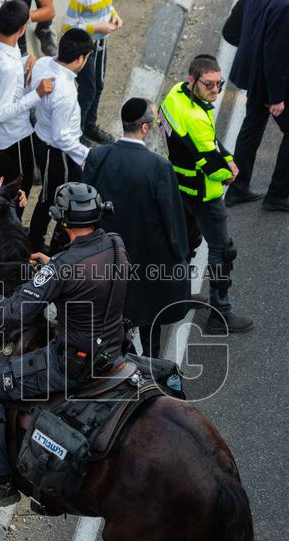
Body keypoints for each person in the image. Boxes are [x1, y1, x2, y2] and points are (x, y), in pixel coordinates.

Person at [0, 182, 128, 517]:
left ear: (63, 222)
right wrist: (54, 271)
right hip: (114, 352)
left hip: (70, 366)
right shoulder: (116, 245)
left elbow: (11, 313)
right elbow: (89, 280)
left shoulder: (60, 268)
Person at [83, 98, 191, 358]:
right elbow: (172, 219)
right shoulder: (158, 167)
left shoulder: (98, 156)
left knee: (110, 321)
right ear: (144, 128)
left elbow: (85, 205)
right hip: (146, 260)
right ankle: (152, 374)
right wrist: (181, 255)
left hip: (106, 257)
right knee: (150, 320)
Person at [160, 55, 254, 334]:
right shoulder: (196, 117)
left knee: (184, 246)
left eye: (219, 84)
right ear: (193, 80)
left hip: (180, 187)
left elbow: (206, 144)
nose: (216, 90)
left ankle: (179, 296)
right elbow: (210, 161)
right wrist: (230, 170)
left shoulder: (175, 95)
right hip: (204, 194)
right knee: (222, 251)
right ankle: (220, 314)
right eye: (209, 85)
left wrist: (223, 155)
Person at [226, 0, 289, 212]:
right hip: (273, 84)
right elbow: (275, 54)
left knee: (252, 127)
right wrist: (276, 97)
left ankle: (237, 187)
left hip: (255, 77)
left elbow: (231, 31)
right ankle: (278, 195)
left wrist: (252, 54)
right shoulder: (281, 7)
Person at [0, 0, 55, 207]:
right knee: (19, 189)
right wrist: (37, 93)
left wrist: (25, 60)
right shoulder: (8, 68)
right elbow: (3, 112)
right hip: (12, 138)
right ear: (22, 29)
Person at [27, 29, 95, 252]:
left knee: (50, 197)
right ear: (79, 59)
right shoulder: (65, 92)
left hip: (43, 140)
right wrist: (86, 153)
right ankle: (47, 244)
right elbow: (61, 136)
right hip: (57, 152)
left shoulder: (44, 63)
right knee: (58, 199)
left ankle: (39, 240)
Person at [63, 0, 122, 146]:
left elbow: (105, 7)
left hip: (101, 43)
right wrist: (97, 27)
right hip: (84, 49)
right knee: (88, 91)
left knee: (99, 85)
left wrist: (114, 14)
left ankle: (89, 126)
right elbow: (68, 27)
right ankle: (77, 132)